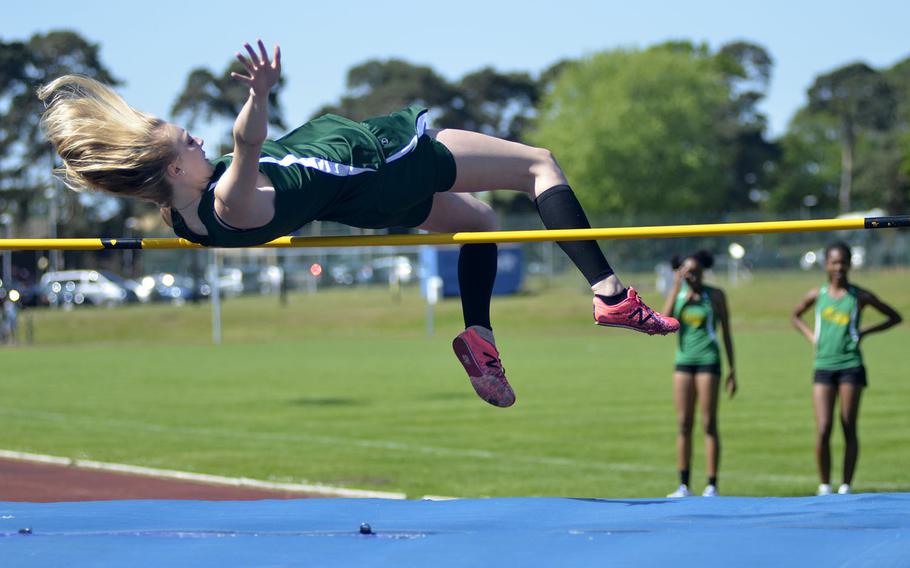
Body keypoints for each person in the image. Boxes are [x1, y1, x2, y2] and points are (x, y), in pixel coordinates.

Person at [38, 40, 679, 408]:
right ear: (174, 170)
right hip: (378, 166)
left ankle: (478, 336)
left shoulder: (183, 217)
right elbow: (247, 142)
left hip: (356, 202)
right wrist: (258, 95)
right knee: (541, 165)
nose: (199, 141)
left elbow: (172, 171)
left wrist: (126, 156)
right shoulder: (227, 199)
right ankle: (610, 295)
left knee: (480, 222)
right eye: (188, 143)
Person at [791, 241, 901, 495]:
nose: (838, 267)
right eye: (834, 261)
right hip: (823, 366)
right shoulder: (817, 295)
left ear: (850, 264)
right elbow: (795, 315)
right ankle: (824, 485)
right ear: (826, 264)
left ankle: (846, 485)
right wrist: (811, 336)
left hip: (851, 365)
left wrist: (865, 332)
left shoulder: (858, 295)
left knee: (848, 424)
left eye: (843, 262)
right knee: (823, 427)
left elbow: (894, 317)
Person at [661, 250, 736, 497]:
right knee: (684, 423)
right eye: (687, 272)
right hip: (684, 363)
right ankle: (684, 484)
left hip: (708, 362)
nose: (692, 276)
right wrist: (675, 288)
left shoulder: (715, 296)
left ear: (704, 272)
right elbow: (664, 321)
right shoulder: (680, 295)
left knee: (708, 423)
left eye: (695, 272)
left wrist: (732, 369)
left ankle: (711, 484)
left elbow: (726, 332)